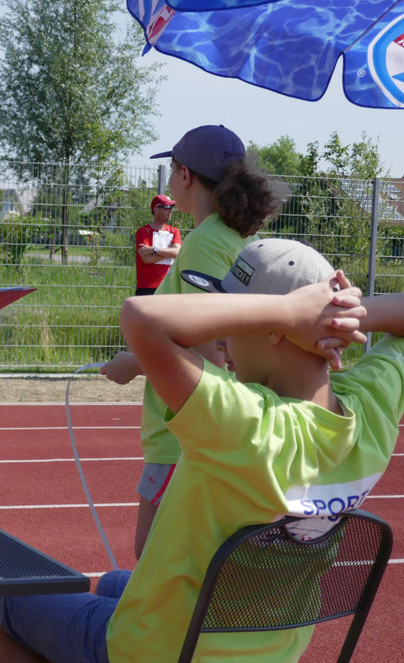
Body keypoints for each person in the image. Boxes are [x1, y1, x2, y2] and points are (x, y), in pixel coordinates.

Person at [0, 238, 404, 663]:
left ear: (278, 327)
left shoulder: (246, 425)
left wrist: (289, 312)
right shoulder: (372, 406)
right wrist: (339, 316)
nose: (220, 340)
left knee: (8, 600)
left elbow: (141, 317)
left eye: (239, 316)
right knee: (113, 582)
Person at [103, 124, 285, 559]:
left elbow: (209, 352)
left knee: (154, 560)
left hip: (182, 432)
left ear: (185, 175)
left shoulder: (203, 243)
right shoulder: (237, 238)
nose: (169, 180)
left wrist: (136, 361)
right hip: (206, 428)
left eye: (172, 169)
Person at [133, 194, 181, 295]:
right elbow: (147, 259)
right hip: (147, 287)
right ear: (156, 209)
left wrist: (154, 250)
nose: (171, 210)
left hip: (168, 286)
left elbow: (177, 252)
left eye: (172, 207)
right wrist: (169, 252)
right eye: (167, 207)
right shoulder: (143, 232)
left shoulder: (174, 231)